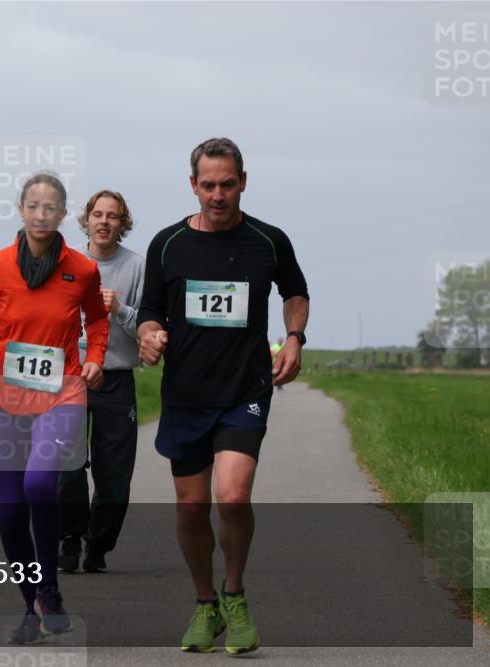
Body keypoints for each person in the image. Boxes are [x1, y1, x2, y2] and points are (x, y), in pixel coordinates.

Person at [137, 138, 309, 654]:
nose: (218, 194)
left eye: (227, 184)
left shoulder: (269, 241)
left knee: (232, 496)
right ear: (193, 185)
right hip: (187, 393)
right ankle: (205, 603)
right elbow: (150, 310)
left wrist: (294, 337)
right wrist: (149, 334)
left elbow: (295, 291)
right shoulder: (166, 244)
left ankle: (235, 595)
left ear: (243, 182)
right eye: (208, 185)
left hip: (245, 389)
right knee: (191, 510)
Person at [0, 172, 109, 644]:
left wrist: (95, 359)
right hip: (6, 400)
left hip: (62, 395)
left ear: (63, 215)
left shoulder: (82, 269)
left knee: (40, 481)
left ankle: (50, 588)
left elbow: (99, 319)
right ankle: (32, 605)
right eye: (33, 205)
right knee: (9, 512)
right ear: (21, 210)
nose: (42, 213)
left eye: (51, 207)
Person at [58, 190, 145, 573]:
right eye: (98, 214)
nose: (104, 221)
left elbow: (149, 325)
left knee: (114, 475)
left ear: (122, 224)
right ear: (87, 220)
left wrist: (119, 309)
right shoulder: (66, 261)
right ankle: (68, 539)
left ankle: (98, 544)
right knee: (67, 466)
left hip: (116, 378)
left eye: (113, 216)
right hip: (70, 376)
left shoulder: (137, 266)